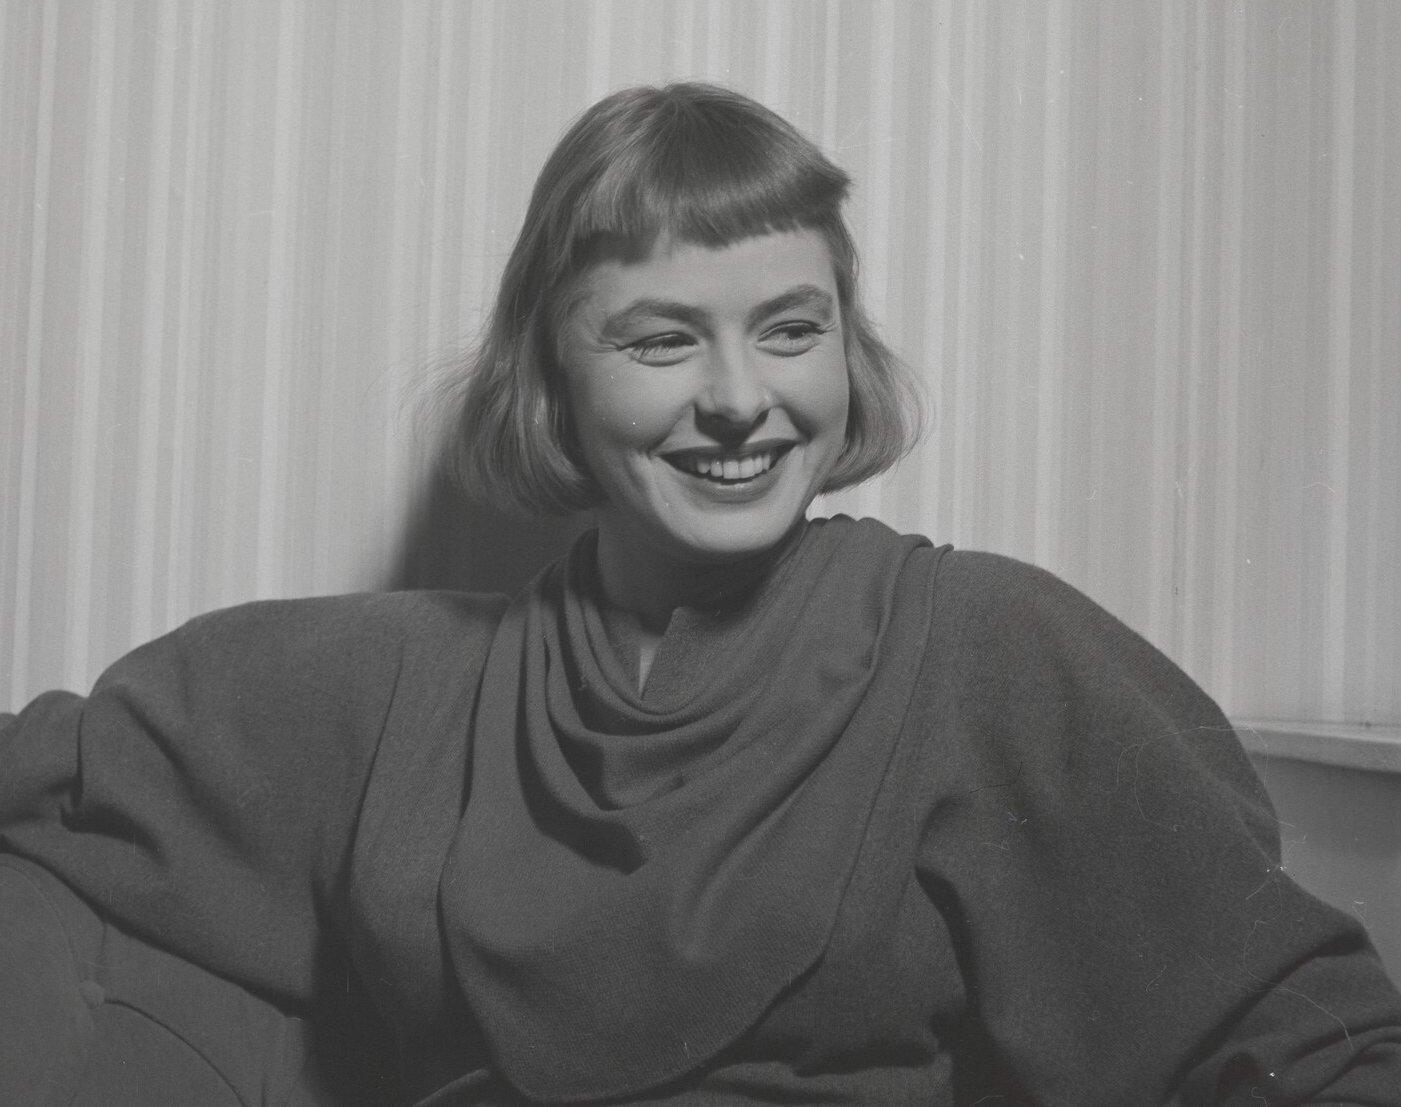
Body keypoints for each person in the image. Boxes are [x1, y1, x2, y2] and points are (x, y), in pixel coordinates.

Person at [2, 82, 1399, 1107]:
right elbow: (58, 783)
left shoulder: (983, 649)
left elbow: (1308, 1040)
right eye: (661, 340)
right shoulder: (401, 682)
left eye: (789, 331)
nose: (739, 401)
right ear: (552, 379)